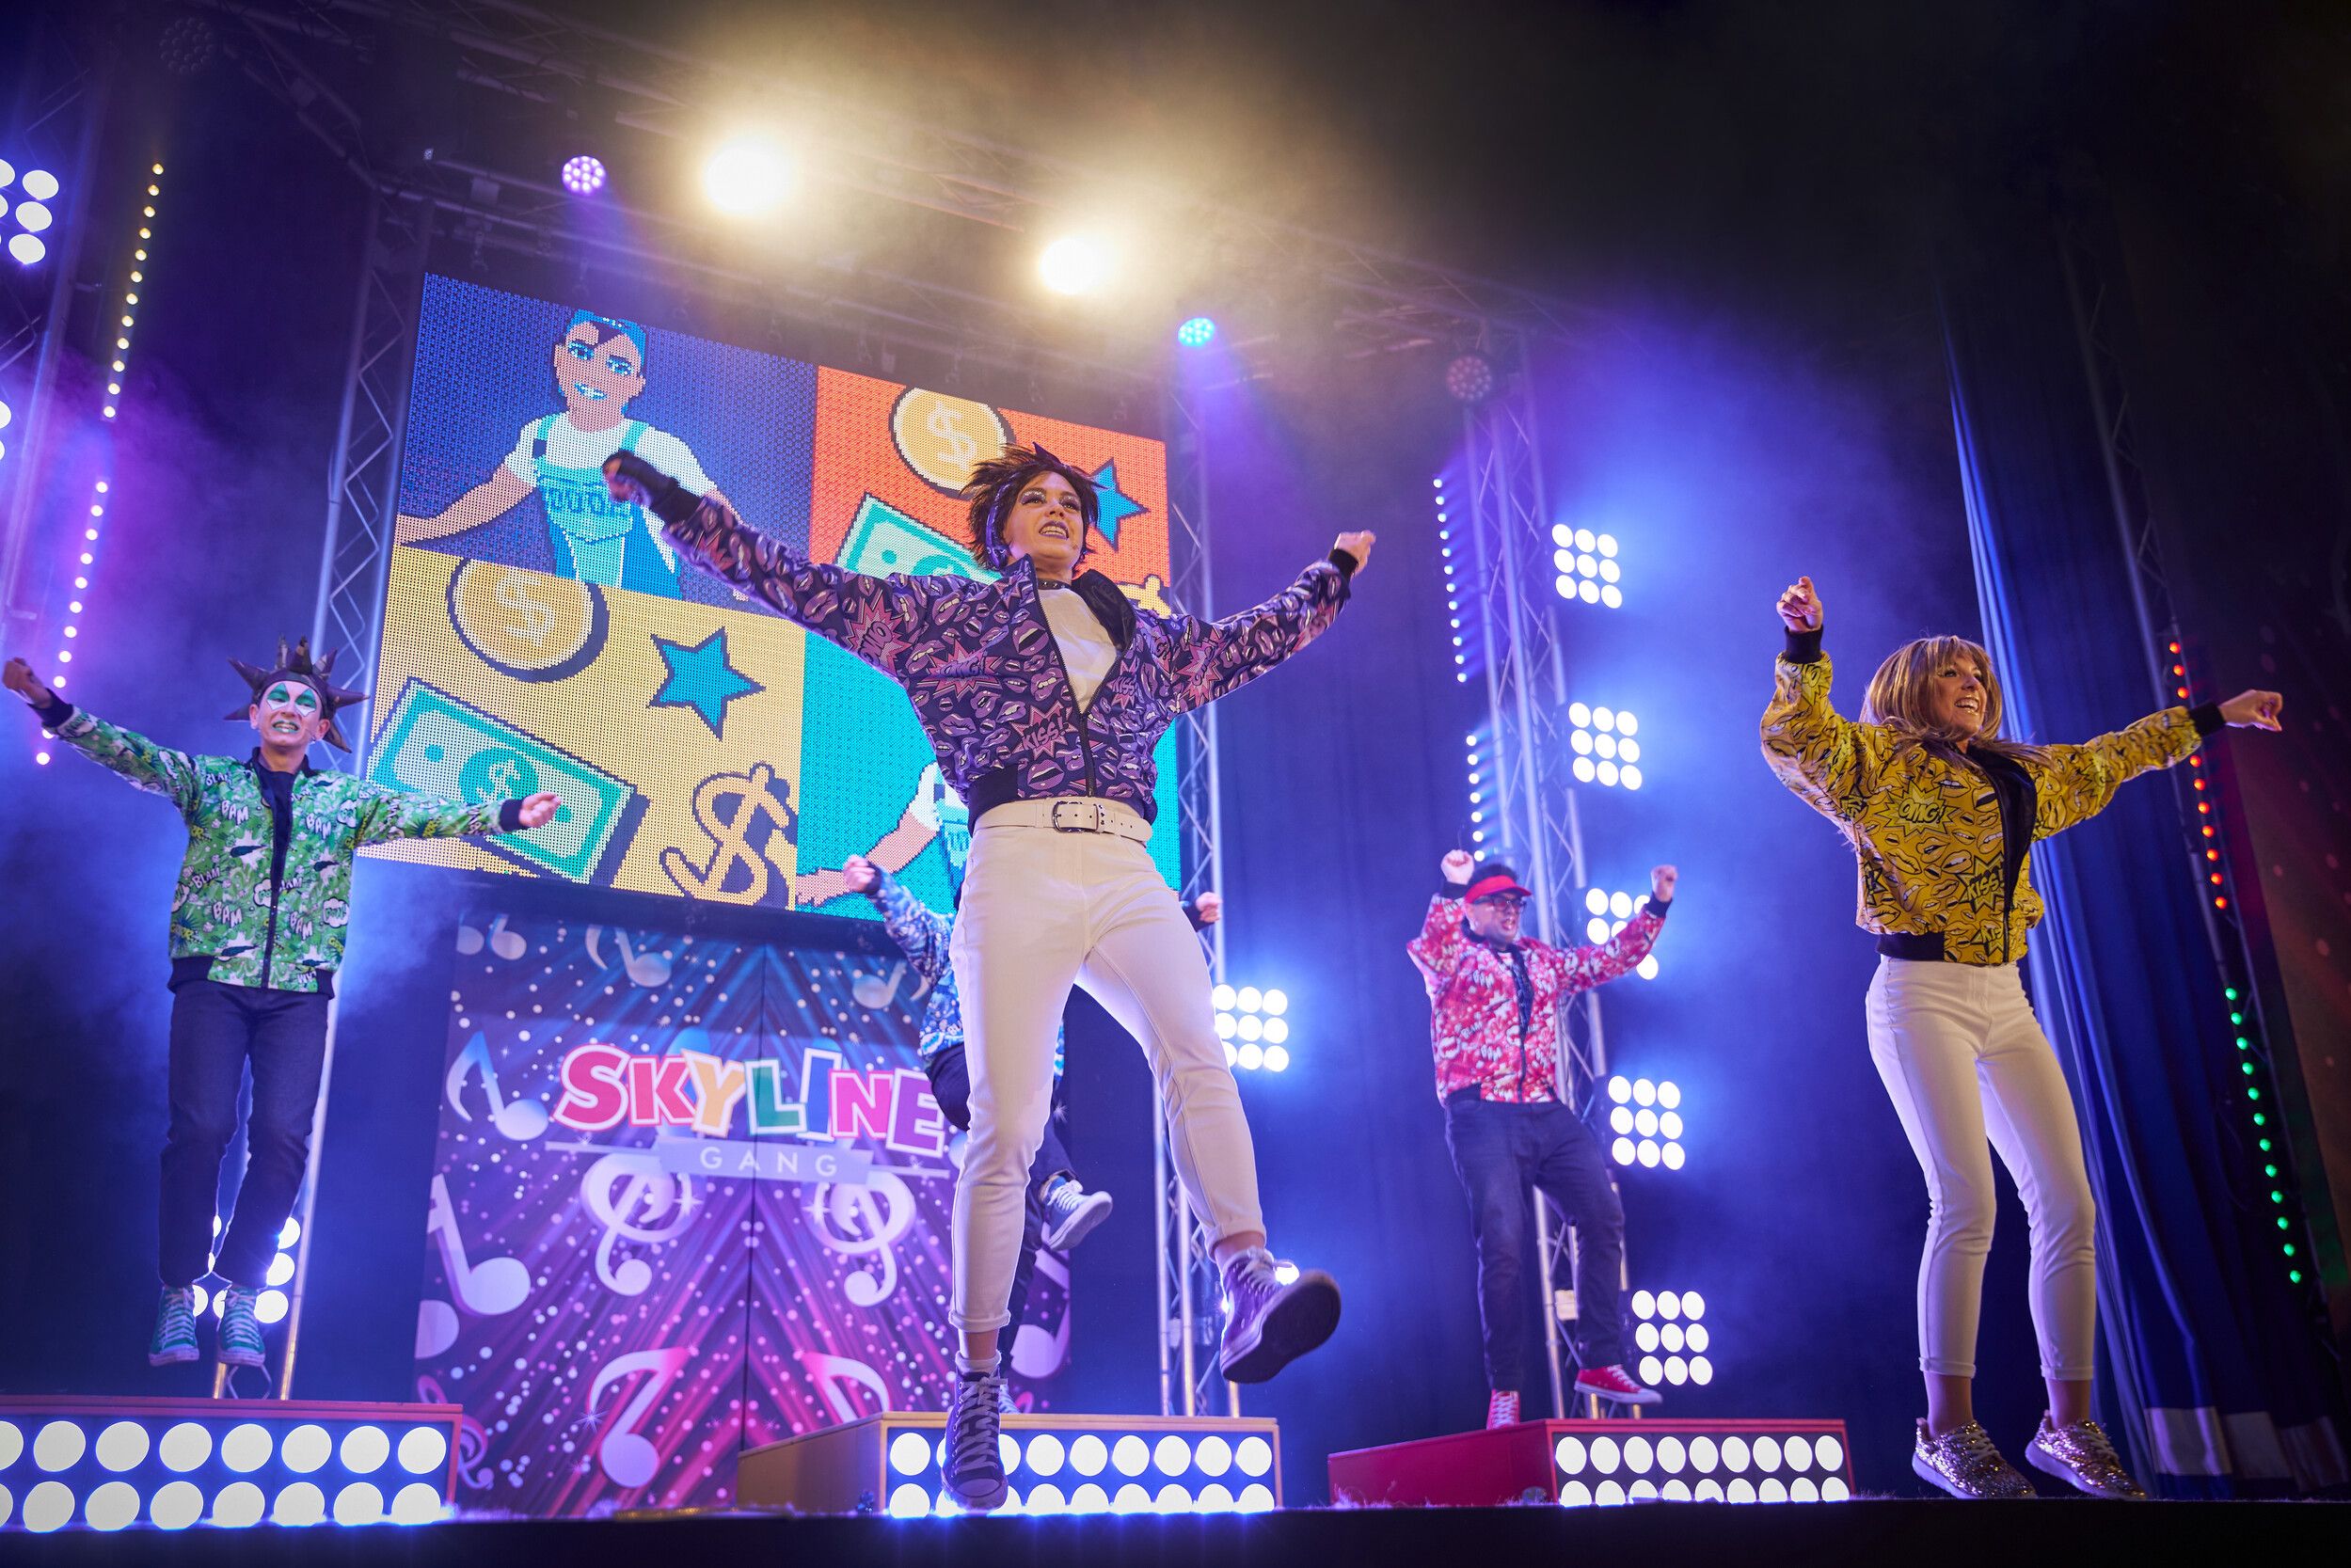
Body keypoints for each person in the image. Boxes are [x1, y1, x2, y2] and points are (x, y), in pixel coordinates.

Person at [605, 440, 1365, 1510]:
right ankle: (977, 1386)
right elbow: (797, 581)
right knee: (1006, 1126)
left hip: (1126, 862)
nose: (1058, 510)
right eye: (1035, 499)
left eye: (1072, 502)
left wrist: (1332, 572)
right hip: (1015, 859)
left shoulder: (1142, 631)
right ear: (999, 527)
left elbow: (1250, 642)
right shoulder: (946, 615)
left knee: (1198, 1050)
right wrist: (680, 505)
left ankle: (1244, 1274)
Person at [1759, 575, 2282, 1500]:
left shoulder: (2018, 774)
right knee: (1966, 1201)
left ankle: (2067, 1426)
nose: (1972, 682)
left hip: (2004, 998)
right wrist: (1804, 647)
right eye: (1952, 672)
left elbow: (2112, 755)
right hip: (1919, 993)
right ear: (1911, 687)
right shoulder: (1872, 762)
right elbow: (1796, 736)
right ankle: (1944, 1430)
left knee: (2068, 1204)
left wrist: (2215, 714)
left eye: (1978, 674)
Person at [6, 642, 557, 1374]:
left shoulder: (347, 802)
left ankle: (242, 1290)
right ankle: (179, 1289)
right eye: (279, 699)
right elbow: (133, 755)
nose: (291, 709)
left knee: (282, 1139)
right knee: (202, 1129)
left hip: (298, 991)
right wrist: (50, 705)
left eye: (306, 703)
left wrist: (512, 812)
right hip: (213, 981)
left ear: (323, 727)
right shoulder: (211, 782)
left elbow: (428, 813)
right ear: (255, 714)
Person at [847, 855, 1223, 1397]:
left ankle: (987, 1377)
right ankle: (1059, 1191)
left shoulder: (1050, 952)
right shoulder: (954, 937)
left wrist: (1185, 917)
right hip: (962, 1063)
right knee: (1007, 1104)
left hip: (1028, 1088)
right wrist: (878, 883)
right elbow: (911, 919)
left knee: (1017, 1236)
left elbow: (1113, 942)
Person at [1408, 851, 1677, 1428]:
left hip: (1544, 1111)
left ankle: (1600, 1359)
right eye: (1497, 903)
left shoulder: (1541, 959)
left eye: (1516, 903)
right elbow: (1431, 948)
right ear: (1472, 910)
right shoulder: (1454, 959)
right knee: (1503, 1243)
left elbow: (1610, 957)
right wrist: (1451, 886)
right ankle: (1506, 1388)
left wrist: (1656, 906)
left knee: (1602, 1212)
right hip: (1481, 1112)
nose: (1510, 912)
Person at [395, 310, 733, 597]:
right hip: (571, 608)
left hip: (646, 611)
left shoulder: (653, 445)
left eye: (617, 367)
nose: (595, 373)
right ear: (559, 359)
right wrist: (429, 527)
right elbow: (495, 495)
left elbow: (713, 506)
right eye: (581, 353)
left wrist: (741, 567)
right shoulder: (541, 435)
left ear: (635, 385)